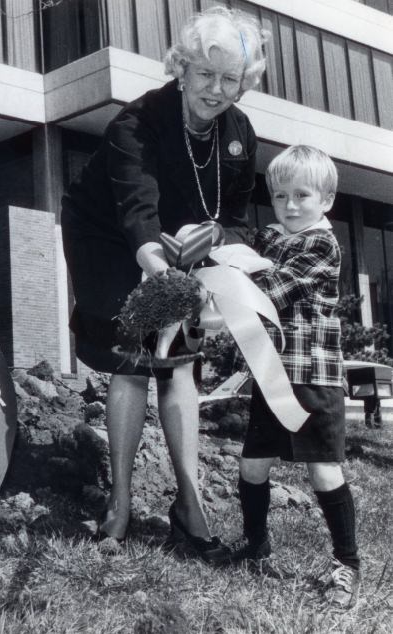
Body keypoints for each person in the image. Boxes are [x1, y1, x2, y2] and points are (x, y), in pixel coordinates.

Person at [60, 6, 268, 561]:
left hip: (180, 249)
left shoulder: (240, 134)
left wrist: (214, 258)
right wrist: (163, 273)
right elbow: (136, 209)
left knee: (180, 362)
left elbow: (237, 217)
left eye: (231, 79)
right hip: (108, 235)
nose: (216, 89)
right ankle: (121, 503)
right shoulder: (136, 122)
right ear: (181, 67)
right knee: (132, 358)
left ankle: (189, 506)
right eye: (205, 74)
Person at [232, 145, 361, 609]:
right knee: (252, 464)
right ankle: (255, 546)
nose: (289, 205)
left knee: (322, 468)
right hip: (272, 376)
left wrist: (229, 285)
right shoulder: (269, 237)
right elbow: (236, 255)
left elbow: (274, 290)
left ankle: (346, 564)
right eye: (280, 194)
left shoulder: (321, 244)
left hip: (313, 376)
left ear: (326, 200)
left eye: (302, 195)